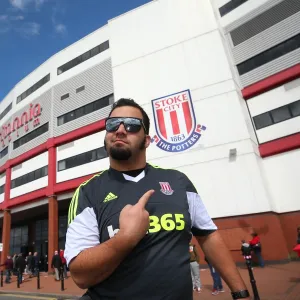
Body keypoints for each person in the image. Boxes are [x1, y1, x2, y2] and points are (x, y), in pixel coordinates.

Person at [65, 98, 250, 300]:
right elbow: (80, 275)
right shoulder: (87, 192)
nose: (120, 130)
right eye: (112, 124)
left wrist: (240, 293)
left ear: (146, 140)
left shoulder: (178, 182)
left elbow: (208, 237)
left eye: (132, 125)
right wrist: (126, 237)